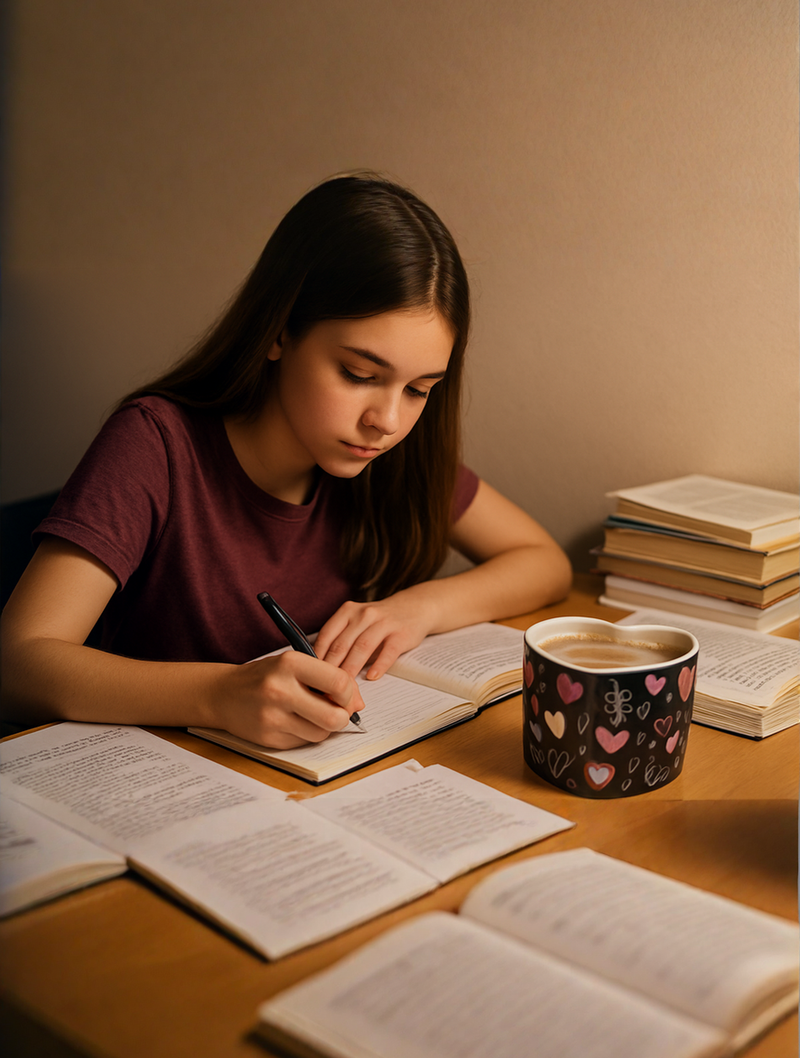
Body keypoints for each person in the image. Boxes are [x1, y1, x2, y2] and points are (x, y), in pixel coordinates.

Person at [1, 174, 571, 748]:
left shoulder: (386, 455)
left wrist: (418, 608)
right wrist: (220, 695)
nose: (388, 420)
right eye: (359, 375)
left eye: (420, 389)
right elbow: (19, 663)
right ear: (279, 332)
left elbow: (544, 562)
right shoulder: (157, 444)